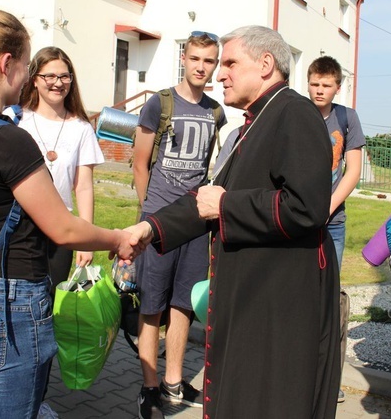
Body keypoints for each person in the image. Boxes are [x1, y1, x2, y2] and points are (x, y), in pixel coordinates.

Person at [0, 9, 137, 418]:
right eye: (28, 66)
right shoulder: (9, 138)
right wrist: (117, 239)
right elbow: (61, 227)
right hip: (11, 303)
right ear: (6, 64)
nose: (29, 77)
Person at [129, 25, 340, 418]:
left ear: (265, 64)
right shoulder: (255, 121)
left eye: (229, 63)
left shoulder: (294, 113)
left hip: (278, 297)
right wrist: (149, 229)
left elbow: (306, 206)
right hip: (254, 290)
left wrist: (228, 207)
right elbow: (207, 197)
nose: (219, 73)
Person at [132, 31, 225, 419]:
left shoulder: (216, 112)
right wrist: (149, 215)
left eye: (210, 61)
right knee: (152, 305)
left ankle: (174, 380)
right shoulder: (160, 103)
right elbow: (139, 163)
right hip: (158, 223)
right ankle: (149, 386)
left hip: (195, 223)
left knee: (183, 304)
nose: (202, 67)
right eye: (196, 59)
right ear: (184, 59)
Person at [307, 55, 365, 403]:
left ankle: (327, 376)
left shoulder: (347, 118)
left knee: (328, 299)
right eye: (314, 83)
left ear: (337, 87)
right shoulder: (299, 112)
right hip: (298, 220)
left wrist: (326, 208)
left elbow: (353, 172)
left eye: (326, 85)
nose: (319, 90)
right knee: (300, 295)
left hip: (333, 224)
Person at [19, 47, 105, 277]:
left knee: (49, 297)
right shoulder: (18, 121)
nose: (58, 83)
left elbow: (84, 186)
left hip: (61, 228)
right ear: (34, 80)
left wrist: (86, 239)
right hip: (21, 227)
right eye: (49, 76)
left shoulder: (82, 129)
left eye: (64, 76)